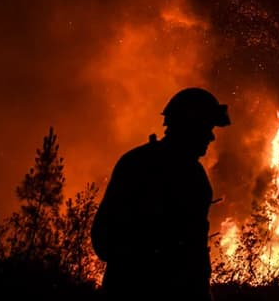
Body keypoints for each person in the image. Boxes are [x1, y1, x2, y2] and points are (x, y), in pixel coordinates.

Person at [91, 87, 231, 299]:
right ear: (189, 127)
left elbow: (194, 251)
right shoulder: (185, 176)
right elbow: (192, 254)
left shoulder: (137, 162)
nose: (211, 137)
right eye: (206, 128)